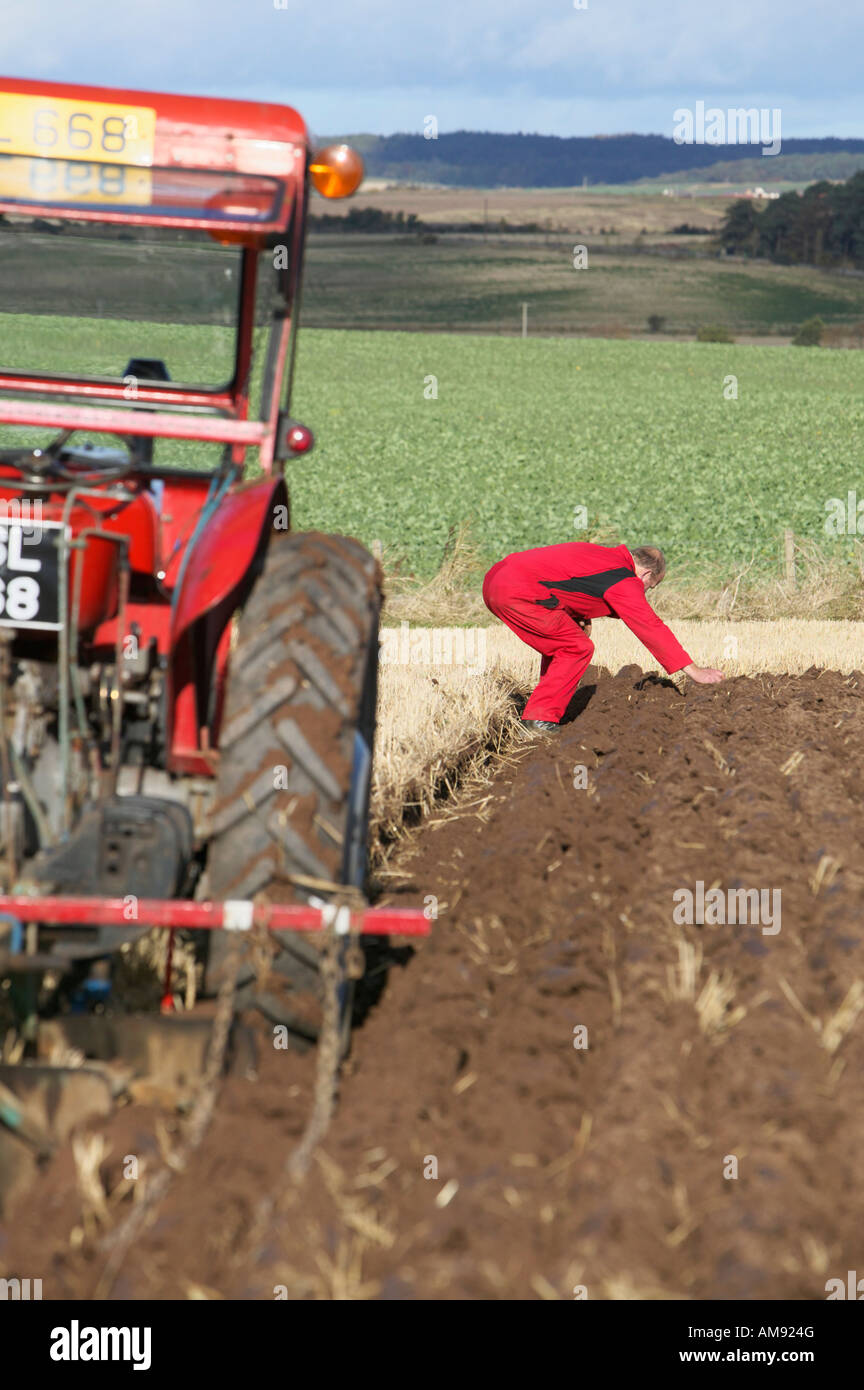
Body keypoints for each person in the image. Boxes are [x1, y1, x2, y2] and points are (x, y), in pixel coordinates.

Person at [482, 540, 724, 733]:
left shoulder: (603, 556)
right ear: (646, 573)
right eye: (651, 586)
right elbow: (649, 626)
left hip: (496, 578)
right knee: (576, 649)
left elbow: (567, 580)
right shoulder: (624, 579)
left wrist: (578, 615)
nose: (646, 591)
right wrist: (695, 671)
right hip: (517, 591)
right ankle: (538, 718)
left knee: (565, 642)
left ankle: (545, 707)